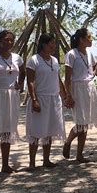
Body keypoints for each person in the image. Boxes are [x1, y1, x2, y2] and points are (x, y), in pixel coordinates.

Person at [0, 30, 25, 176]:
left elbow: (23, 73)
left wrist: (20, 84)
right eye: (6, 40)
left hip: (12, 96)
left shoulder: (17, 58)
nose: (9, 43)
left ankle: (5, 165)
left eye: (11, 40)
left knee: (7, 132)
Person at [26, 33, 67, 169]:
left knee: (49, 130)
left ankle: (46, 160)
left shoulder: (54, 61)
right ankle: (32, 162)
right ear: (43, 44)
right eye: (51, 43)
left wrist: (64, 95)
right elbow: (30, 81)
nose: (53, 46)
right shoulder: (34, 60)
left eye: (54, 43)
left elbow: (57, 79)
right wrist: (34, 99)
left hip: (53, 99)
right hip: (40, 98)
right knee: (36, 130)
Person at [63, 28, 97, 163]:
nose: (91, 39)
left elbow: (95, 64)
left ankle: (79, 154)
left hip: (89, 88)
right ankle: (68, 142)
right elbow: (67, 78)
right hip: (77, 88)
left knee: (85, 122)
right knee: (80, 122)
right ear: (81, 39)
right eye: (89, 37)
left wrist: (92, 74)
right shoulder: (71, 54)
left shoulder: (89, 53)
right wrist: (68, 95)